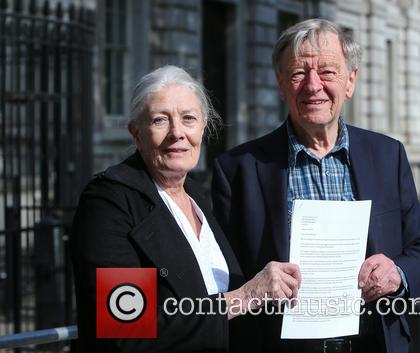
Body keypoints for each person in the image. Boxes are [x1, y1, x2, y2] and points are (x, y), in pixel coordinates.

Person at [212, 19, 420, 353]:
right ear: (281, 84)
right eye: (298, 73)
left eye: (328, 72)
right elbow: (225, 278)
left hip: (376, 343)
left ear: (351, 82)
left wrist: (397, 274)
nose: (313, 86)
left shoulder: (388, 155)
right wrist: (257, 286)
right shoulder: (237, 169)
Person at [71, 65, 301, 353]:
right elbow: (127, 326)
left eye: (188, 119)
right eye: (159, 120)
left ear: (203, 128)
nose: (177, 133)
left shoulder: (196, 196)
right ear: (136, 133)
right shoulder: (109, 201)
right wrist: (246, 295)